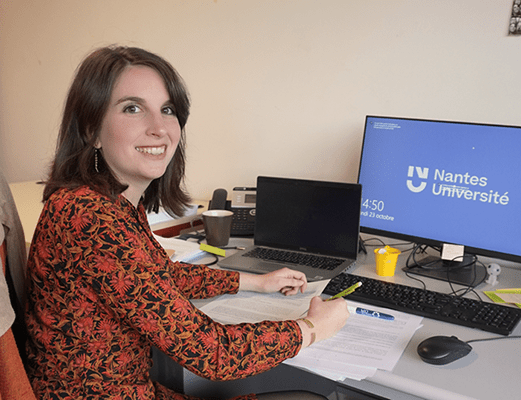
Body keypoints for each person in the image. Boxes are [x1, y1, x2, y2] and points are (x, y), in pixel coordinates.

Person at [24, 45, 349, 400]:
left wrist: (255, 281)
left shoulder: (109, 203)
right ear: (92, 130)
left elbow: (159, 275)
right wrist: (313, 327)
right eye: (132, 108)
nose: (159, 128)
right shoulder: (90, 217)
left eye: (167, 110)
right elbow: (213, 353)